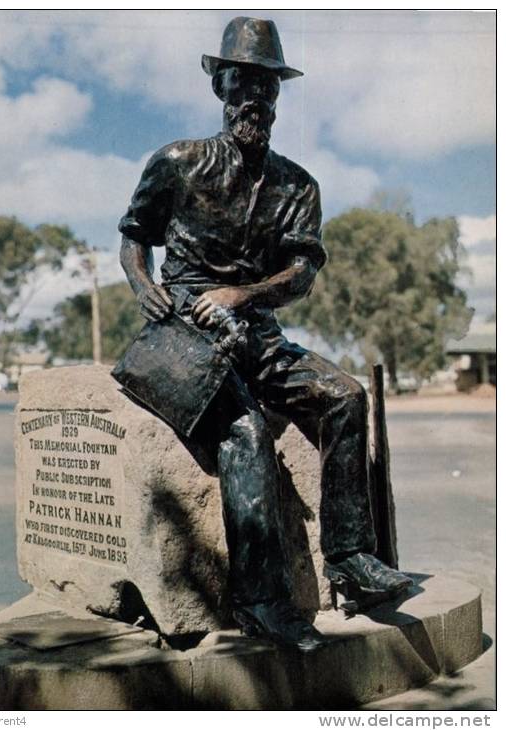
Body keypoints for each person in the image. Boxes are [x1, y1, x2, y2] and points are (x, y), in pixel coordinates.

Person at [118, 16, 412, 652]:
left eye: (266, 86)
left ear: (278, 96)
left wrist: (244, 295)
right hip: (187, 332)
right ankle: (261, 603)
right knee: (244, 431)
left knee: (345, 396)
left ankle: (350, 558)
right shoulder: (177, 163)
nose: (254, 98)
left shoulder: (297, 184)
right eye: (241, 83)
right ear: (220, 87)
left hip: (259, 332)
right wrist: (148, 291)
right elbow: (134, 237)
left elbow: (303, 271)